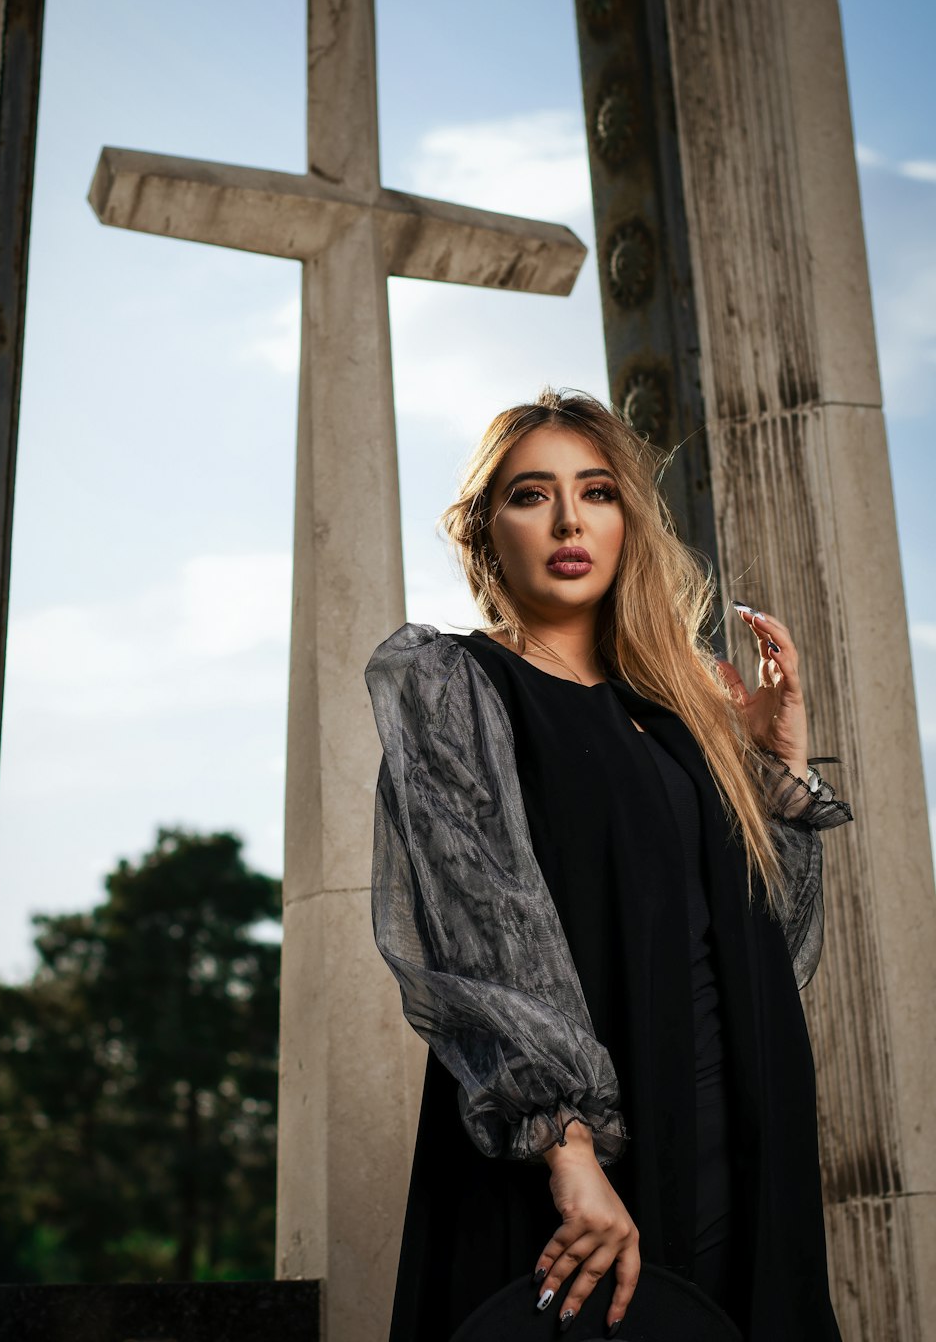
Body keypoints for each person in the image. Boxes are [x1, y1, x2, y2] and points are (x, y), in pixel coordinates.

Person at [364, 389, 853, 1342]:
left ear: (628, 519)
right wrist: (567, 1147)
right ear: (482, 535)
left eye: (596, 492)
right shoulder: (457, 686)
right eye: (530, 495)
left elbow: (777, 950)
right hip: (581, 1155)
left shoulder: (682, 712)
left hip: (740, 1126)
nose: (568, 519)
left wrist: (777, 768)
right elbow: (479, 933)